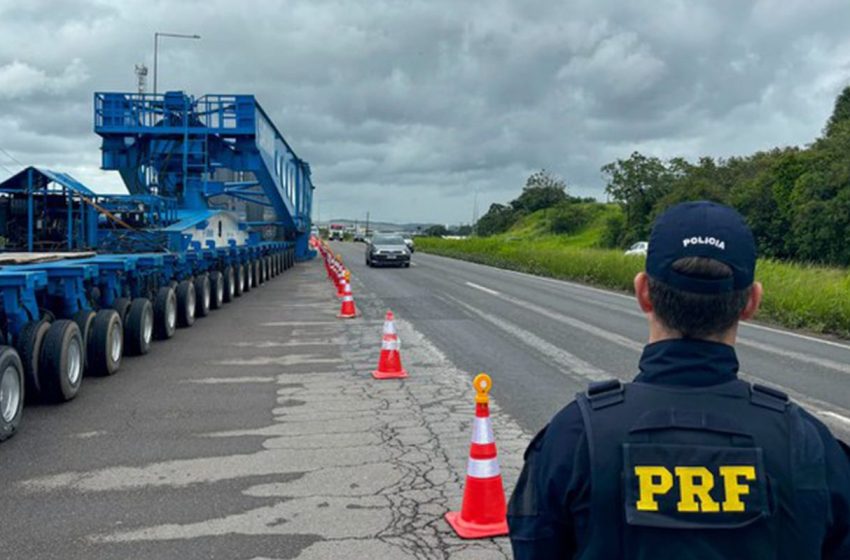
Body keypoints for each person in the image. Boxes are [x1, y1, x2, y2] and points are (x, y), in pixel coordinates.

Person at [507, 201, 850, 559]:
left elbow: (534, 546)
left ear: (643, 292)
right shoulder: (812, 445)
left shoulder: (572, 436)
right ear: (751, 303)